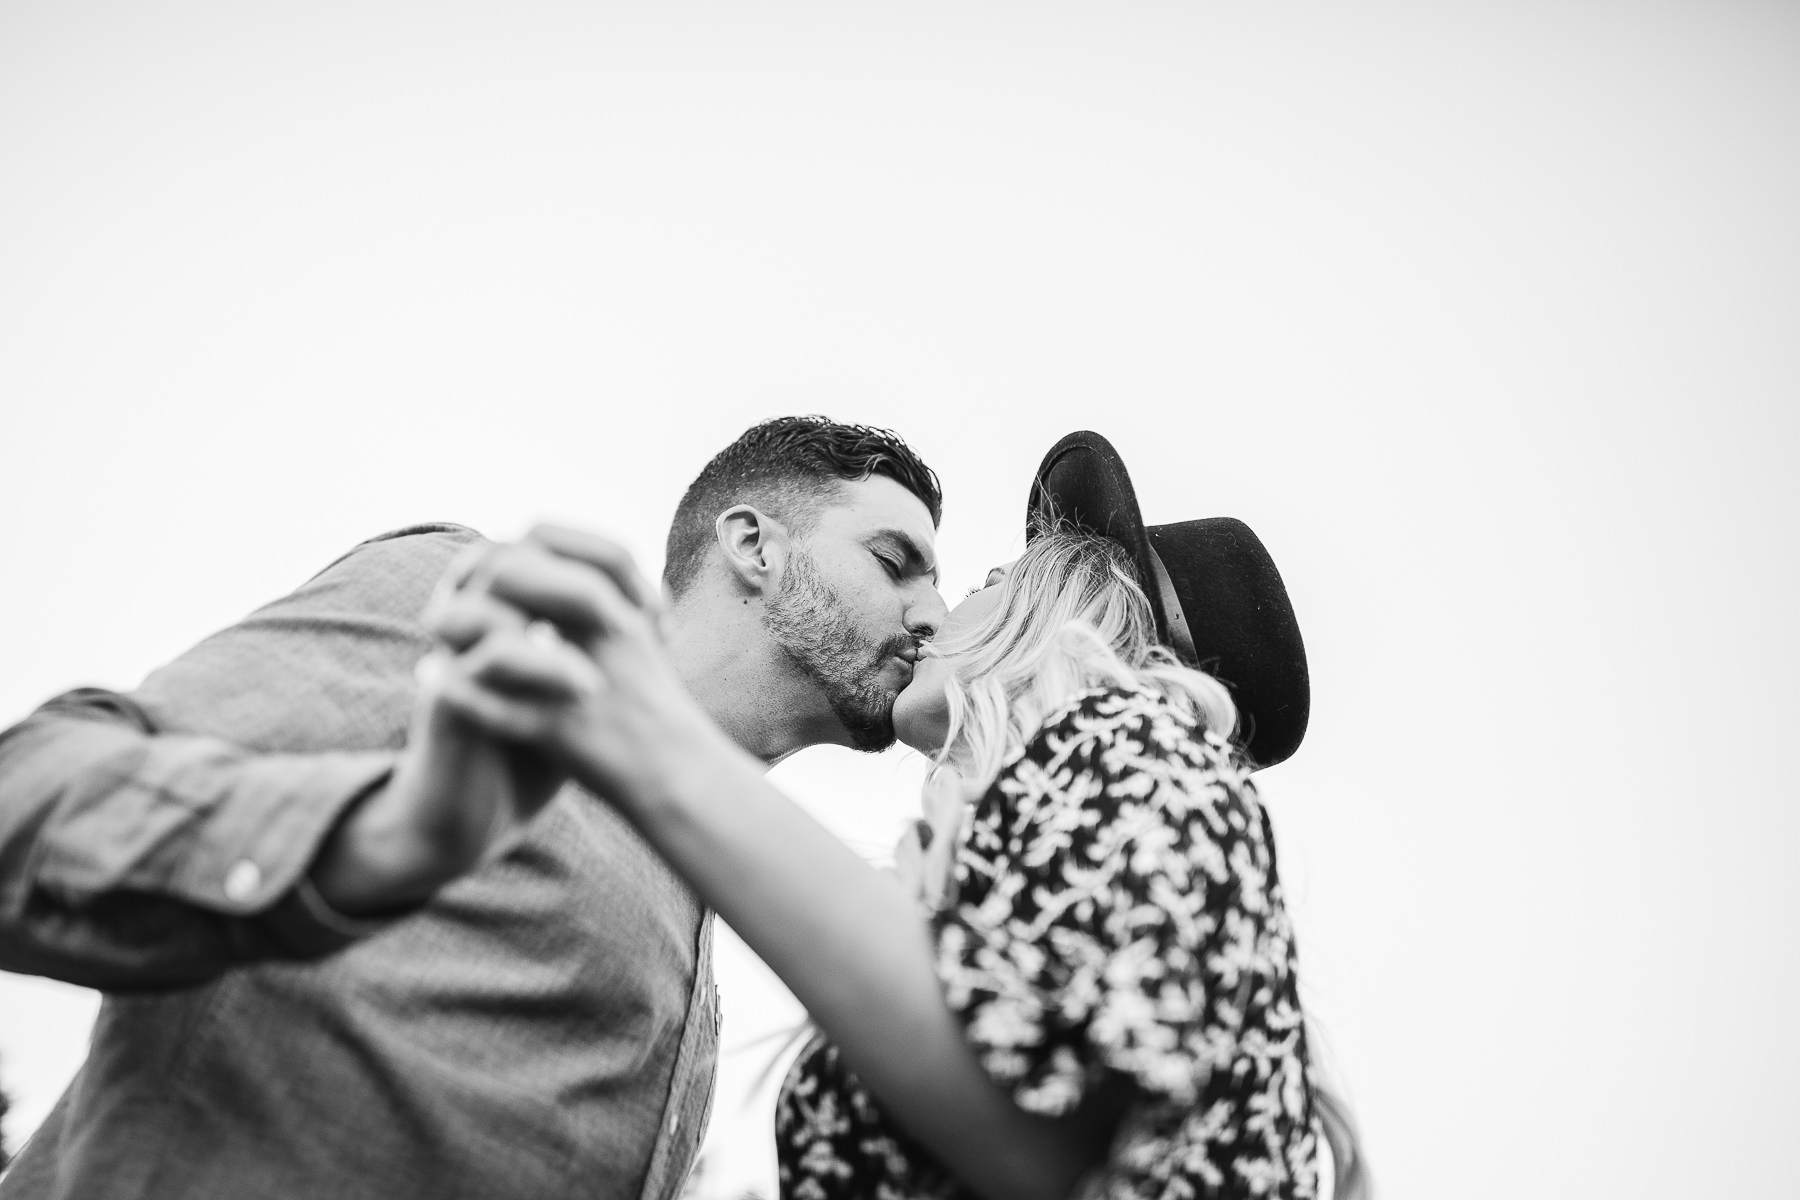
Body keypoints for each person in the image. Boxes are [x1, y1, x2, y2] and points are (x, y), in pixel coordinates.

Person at [0, 416, 948, 1200]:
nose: (932, 614)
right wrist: (383, 837)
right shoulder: (491, 627)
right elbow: (28, 797)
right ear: (753, 546)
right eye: (895, 559)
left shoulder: (714, 917)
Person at [423, 431, 1367, 1200]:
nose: (939, 612)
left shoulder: (1138, 747)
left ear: (1052, 615)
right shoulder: (1016, 866)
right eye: (900, 566)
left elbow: (1038, 1140)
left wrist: (640, 735)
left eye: (988, 582)